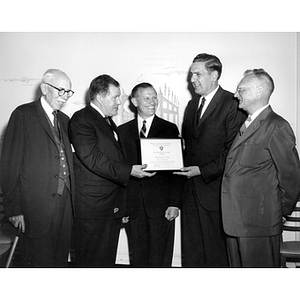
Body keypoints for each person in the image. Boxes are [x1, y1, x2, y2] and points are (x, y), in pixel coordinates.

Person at [69, 75, 155, 267]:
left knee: (105, 262)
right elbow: (93, 158)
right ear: (100, 96)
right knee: (92, 262)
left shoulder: (106, 121)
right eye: (115, 97)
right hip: (93, 208)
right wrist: (129, 171)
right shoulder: (82, 119)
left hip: (108, 207)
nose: (119, 102)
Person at [221, 68, 300, 267]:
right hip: (236, 221)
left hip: (259, 223)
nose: (236, 94)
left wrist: (277, 212)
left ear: (258, 91)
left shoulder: (276, 126)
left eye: (241, 89)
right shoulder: (247, 124)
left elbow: (291, 177)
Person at [174, 53, 247, 267]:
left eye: (197, 74)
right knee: (192, 251)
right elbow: (188, 147)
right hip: (190, 193)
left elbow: (233, 152)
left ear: (214, 75)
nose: (192, 80)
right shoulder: (191, 106)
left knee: (216, 254)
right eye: (191, 75)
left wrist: (202, 171)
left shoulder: (232, 104)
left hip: (215, 192)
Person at [0, 69, 75, 267]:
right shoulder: (23, 114)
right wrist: (14, 209)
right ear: (44, 88)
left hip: (64, 203)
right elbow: (9, 164)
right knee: (37, 264)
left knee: (59, 261)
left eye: (68, 92)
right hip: (35, 207)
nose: (65, 96)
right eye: (61, 90)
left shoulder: (65, 120)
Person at [118, 82, 181, 267]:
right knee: (138, 259)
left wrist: (174, 203)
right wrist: (123, 206)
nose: (153, 102)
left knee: (161, 259)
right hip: (134, 207)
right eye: (147, 98)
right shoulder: (122, 132)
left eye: (155, 97)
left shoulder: (170, 129)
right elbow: (120, 170)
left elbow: (176, 170)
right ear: (134, 101)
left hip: (162, 207)